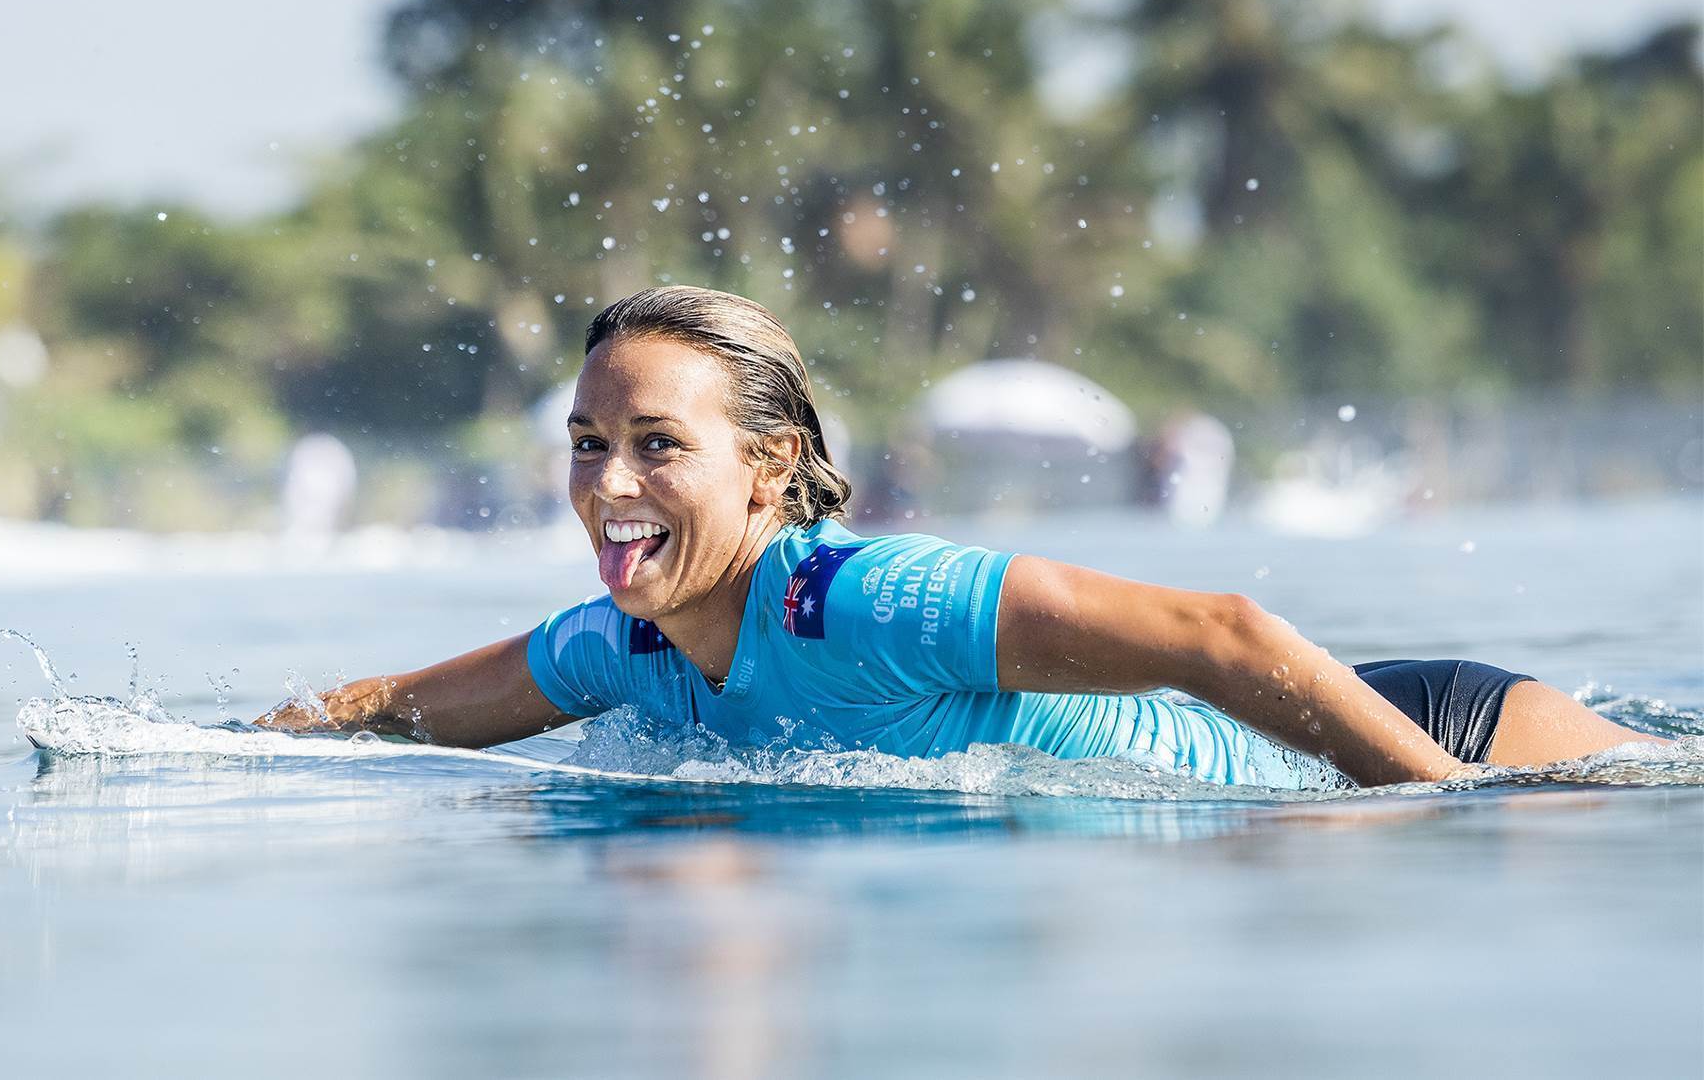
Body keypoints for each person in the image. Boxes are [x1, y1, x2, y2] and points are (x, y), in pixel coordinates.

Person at [258, 287, 1663, 787]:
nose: (608, 484)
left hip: (1441, 736)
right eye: (587, 445)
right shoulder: (622, 645)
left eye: (656, 446)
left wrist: (1439, 816)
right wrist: (201, 747)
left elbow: (1226, 636)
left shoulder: (868, 602)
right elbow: (394, 712)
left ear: (770, 470)